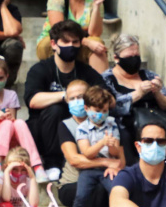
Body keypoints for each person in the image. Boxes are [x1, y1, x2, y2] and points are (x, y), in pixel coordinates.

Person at [24, 20, 106, 171]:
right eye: (65, 41)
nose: (71, 46)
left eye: (75, 42)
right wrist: (65, 95)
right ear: (54, 44)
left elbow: (105, 95)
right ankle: (52, 163)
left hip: (80, 127)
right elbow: (33, 100)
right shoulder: (40, 69)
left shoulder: (86, 71)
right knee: (56, 110)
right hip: (43, 129)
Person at [57, 79, 117, 207]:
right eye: (72, 98)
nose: (77, 101)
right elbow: (75, 159)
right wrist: (106, 161)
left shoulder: (110, 124)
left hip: (101, 180)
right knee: (94, 190)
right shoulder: (66, 125)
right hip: (71, 184)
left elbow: (119, 157)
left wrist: (115, 161)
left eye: (81, 97)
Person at [102, 34, 166, 164]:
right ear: (116, 58)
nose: (134, 60)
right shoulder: (107, 78)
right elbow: (111, 107)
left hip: (155, 119)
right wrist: (138, 93)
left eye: (136, 56)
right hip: (126, 125)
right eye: (129, 57)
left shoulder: (149, 75)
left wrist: (157, 93)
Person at [0, 55, 48, 183]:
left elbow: (13, 122)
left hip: (8, 136)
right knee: (6, 124)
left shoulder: (11, 95)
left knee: (19, 123)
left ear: (7, 76)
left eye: (0, 78)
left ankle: (37, 166)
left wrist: (8, 117)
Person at [36, 0, 106, 72]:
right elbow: (59, 31)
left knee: (97, 43)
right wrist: (86, 41)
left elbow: (95, 33)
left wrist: (97, 5)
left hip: (79, 44)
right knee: (55, 43)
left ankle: (100, 87)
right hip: (54, 42)